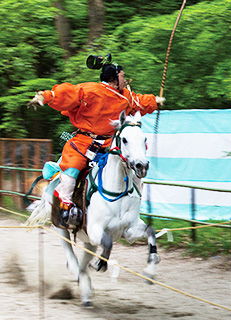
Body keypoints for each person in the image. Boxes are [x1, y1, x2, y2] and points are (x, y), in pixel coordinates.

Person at [28, 53, 165, 227]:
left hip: (110, 144)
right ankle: (66, 207)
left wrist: (155, 101)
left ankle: (132, 208)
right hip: (83, 142)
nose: (125, 80)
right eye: (122, 76)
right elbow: (67, 93)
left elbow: (139, 102)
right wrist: (46, 96)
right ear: (114, 78)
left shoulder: (124, 96)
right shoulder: (90, 90)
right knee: (71, 173)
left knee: (132, 167)